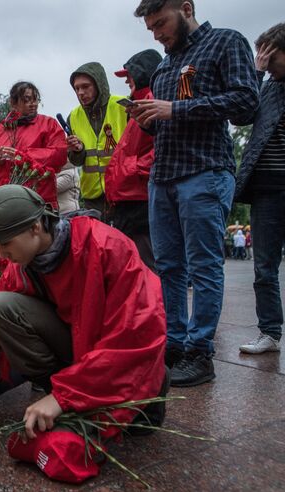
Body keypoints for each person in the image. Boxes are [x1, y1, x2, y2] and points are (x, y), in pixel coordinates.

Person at [0, 185, 167, 484]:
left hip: (116, 358)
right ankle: (56, 392)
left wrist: (62, 398)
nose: (2, 254)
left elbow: (135, 336)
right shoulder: (22, 265)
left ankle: (139, 396)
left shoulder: (107, 247)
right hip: (76, 349)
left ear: (35, 227)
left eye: (5, 245)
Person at [131, 0, 259, 386]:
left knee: (203, 267)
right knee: (169, 267)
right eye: (150, 28)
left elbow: (246, 102)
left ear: (186, 8)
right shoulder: (165, 63)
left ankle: (201, 352)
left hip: (204, 171)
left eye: (161, 23)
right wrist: (148, 117)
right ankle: (174, 342)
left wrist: (174, 110)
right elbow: (167, 117)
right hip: (164, 175)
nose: (156, 34)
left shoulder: (226, 42)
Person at [234, 25, 285, 353]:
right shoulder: (265, 88)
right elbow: (241, 116)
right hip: (267, 188)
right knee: (264, 267)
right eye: (260, 54)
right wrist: (255, 74)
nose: (264, 60)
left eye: (269, 54)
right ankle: (270, 332)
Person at [105, 49, 164, 271]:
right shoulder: (139, 104)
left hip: (141, 200)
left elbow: (165, 148)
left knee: (148, 267)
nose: (128, 79)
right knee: (136, 266)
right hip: (129, 200)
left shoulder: (153, 101)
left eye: (130, 74)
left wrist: (129, 169)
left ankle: (157, 306)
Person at [0, 81, 67, 205]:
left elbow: (59, 156)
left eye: (36, 99)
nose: (33, 104)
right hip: (5, 200)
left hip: (38, 199)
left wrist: (22, 156)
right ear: (13, 103)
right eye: (27, 100)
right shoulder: (0, 130)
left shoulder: (48, 124)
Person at [67, 62, 128, 219]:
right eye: (76, 88)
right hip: (93, 197)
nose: (81, 92)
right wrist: (78, 151)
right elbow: (77, 161)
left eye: (86, 86)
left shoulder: (123, 106)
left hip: (124, 192)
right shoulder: (73, 116)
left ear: (99, 84)